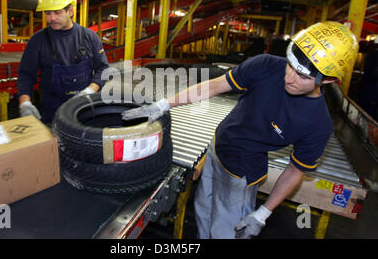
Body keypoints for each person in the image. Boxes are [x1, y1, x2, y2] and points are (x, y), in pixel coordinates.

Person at [122, 21, 358, 239]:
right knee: (203, 212)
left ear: (327, 80)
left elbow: (295, 171)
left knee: (225, 230)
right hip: (216, 149)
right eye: (290, 65)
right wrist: (164, 104)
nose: (289, 77)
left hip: (241, 174)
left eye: (302, 76)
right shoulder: (265, 65)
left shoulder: (317, 124)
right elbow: (214, 85)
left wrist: (263, 212)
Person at [17, 0, 109, 125]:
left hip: (84, 107)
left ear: (70, 11)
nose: (52, 18)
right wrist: (25, 103)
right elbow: (25, 75)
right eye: (48, 13)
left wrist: (90, 91)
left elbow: (103, 69)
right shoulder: (38, 40)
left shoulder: (89, 37)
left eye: (57, 12)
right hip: (52, 109)